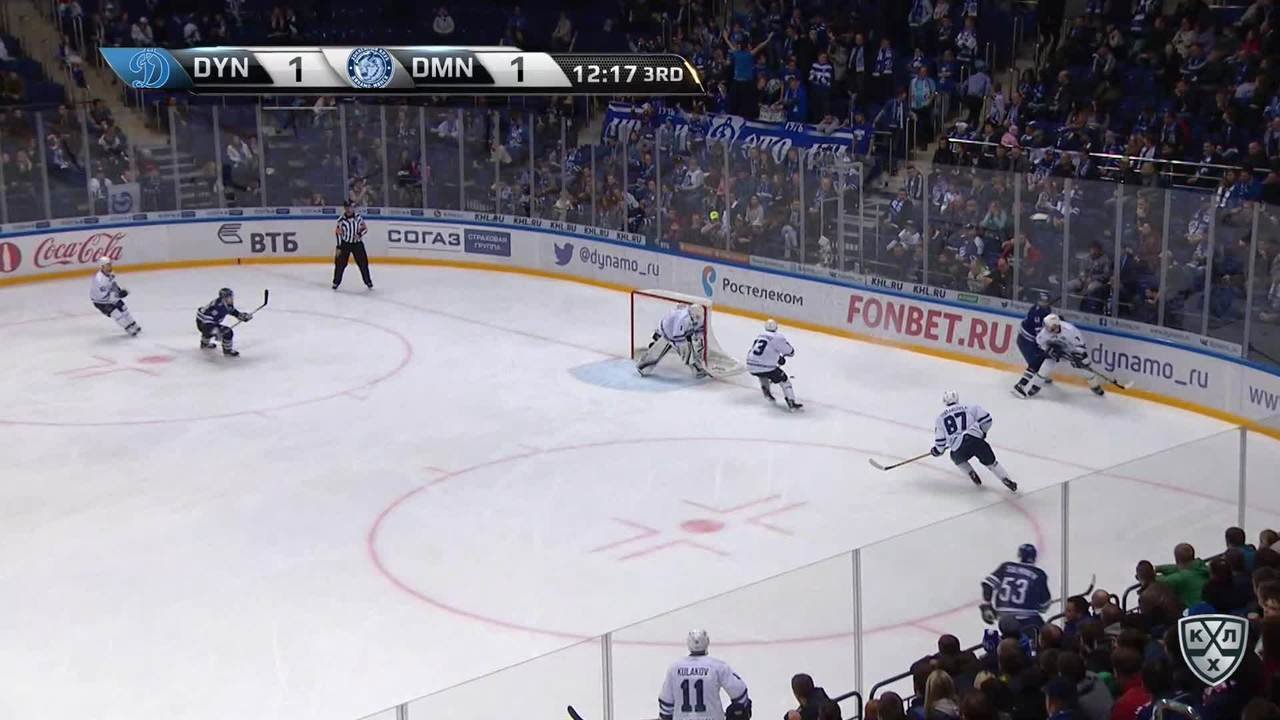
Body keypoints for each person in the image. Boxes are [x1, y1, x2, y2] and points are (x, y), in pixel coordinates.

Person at [931, 390, 1017, 491]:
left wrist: (937, 451)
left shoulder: (940, 418)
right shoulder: (970, 407)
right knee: (991, 462)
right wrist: (982, 432)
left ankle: (970, 472)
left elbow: (940, 442)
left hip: (958, 447)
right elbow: (987, 420)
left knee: (956, 458)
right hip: (975, 440)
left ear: (944, 401)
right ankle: (1006, 479)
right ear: (957, 398)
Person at [658, 629, 750, 720]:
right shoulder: (718, 666)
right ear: (707, 642)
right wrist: (739, 712)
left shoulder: (674, 668)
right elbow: (739, 692)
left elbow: (666, 704)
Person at [1015, 314, 1104, 398]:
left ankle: (1094, 385)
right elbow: (1040, 344)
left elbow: (1081, 346)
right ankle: (1036, 386)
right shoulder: (1044, 333)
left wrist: (1077, 355)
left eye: (1051, 328)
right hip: (1056, 352)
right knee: (1047, 365)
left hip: (1071, 350)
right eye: (1047, 327)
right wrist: (1049, 350)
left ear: (1057, 325)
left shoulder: (1070, 330)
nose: (1048, 330)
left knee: (1084, 364)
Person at [981, 544, 1051, 631]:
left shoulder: (1006, 567)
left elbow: (987, 584)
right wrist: (1040, 607)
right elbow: (1044, 604)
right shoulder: (1039, 573)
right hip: (1027, 618)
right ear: (1034, 557)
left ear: (1019, 555)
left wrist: (987, 606)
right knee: (1043, 632)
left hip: (1004, 617)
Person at [637, 303, 708, 378]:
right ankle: (642, 366)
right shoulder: (682, 319)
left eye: (698, 316)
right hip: (667, 331)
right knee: (686, 353)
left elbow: (699, 332)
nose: (697, 318)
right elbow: (678, 338)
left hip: (682, 332)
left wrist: (697, 343)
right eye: (695, 316)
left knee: (691, 350)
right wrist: (686, 351)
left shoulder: (700, 318)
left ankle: (697, 369)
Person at [745, 318, 802, 411]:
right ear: (776, 327)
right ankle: (791, 402)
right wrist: (783, 357)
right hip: (766, 367)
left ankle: (766, 391)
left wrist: (778, 358)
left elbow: (762, 352)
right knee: (784, 380)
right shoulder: (778, 337)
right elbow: (790, 351)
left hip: (751, 365)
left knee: (762, 374)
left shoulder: (760, 336)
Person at [1012, 292, 1054, 396]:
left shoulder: (1047, 310)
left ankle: (1040, 374)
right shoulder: (1036, 313)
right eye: (1041, 301)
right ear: (1037, 301)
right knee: (1036, 361)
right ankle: (1020, 385)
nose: (1043, 303)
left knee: (1041, 359)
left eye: (1045, 301)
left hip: (1032, 340)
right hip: (1026, 340)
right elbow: (1040, 334)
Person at [89, 257, 141, 337]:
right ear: (102, 266)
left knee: (123, 308)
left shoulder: (111, 273)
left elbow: (113, 284)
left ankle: (133, 324)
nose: (110, 266)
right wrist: (119, 295)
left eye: (110, 264)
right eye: (107, 265)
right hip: (100, 301)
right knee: (115, 313)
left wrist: (119, 291)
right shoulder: (99, 280)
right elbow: (106, 297)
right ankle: (128, 328)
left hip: (109, 295)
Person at [196, 288, 253, 357]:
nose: (231, 298)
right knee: (227, 332)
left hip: (205, 322)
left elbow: (232, 311)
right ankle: (227, 351)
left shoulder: (226, 304)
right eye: (229, 297)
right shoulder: (218, 306)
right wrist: (216, 331)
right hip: (203, 323)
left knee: (214, 328)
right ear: (223, 298)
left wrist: (242, 316)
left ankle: (205, 344)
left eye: (231, 296)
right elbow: (206, 322)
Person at [333, 200, 373, 291]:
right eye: (347, 207)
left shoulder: (358, 218)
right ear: (345, 208)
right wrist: (339, 247)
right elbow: (338, 233)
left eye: (350, 207)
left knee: (363, 263)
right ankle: (336, 282)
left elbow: (365, 228)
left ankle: (368, 281)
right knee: (340, 264)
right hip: (345, 244)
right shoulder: (341, 220)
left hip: (357, 244)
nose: (348, 209)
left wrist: (359, 234)